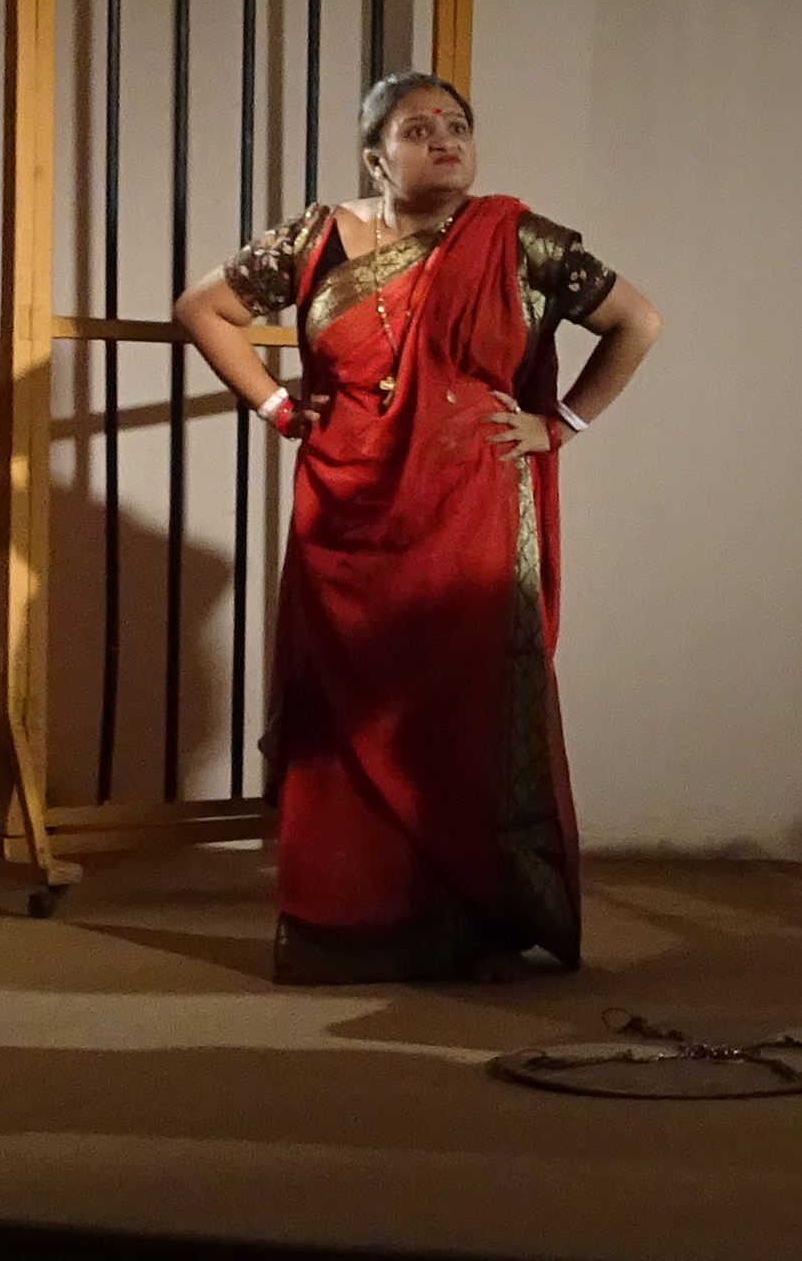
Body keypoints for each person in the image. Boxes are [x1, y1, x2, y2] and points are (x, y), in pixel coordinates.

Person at [177, 73, 660, 982]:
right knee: (343, 714)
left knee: (458, 712)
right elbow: (203, 309)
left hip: (469, 507)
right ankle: (342, 926)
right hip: (345, 509)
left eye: (458, 127)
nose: (445, 141)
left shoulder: (516, 240)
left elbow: (637, 320)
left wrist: (560, 423)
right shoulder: (316, 239)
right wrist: (278, 406)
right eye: (417, 129)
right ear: (375, 159)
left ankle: (468, 925)